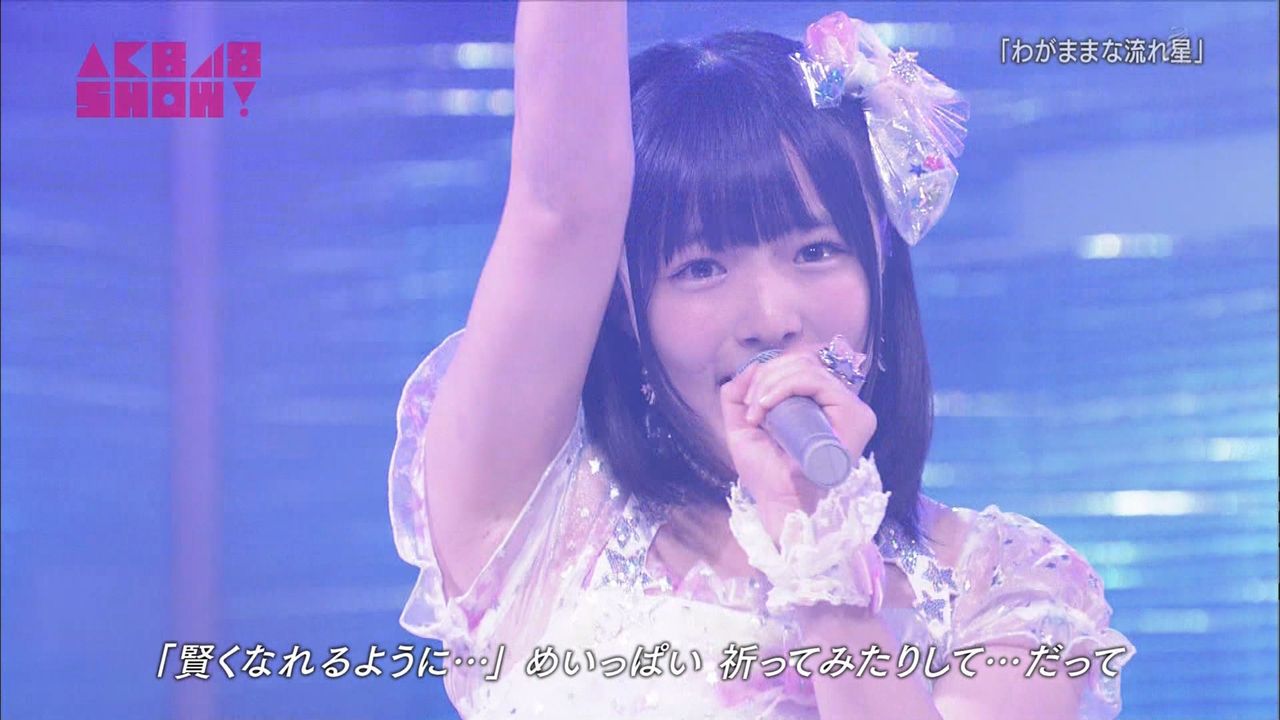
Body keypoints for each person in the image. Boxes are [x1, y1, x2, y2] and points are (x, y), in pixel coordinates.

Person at [388, 3, 1135, 718]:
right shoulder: (542, 519)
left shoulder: (1003, 585)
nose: (772, 319)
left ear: (880, 265)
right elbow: (562, 208)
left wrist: (824, 557)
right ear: (627, 309)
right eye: (701, 268)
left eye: (816, 251)